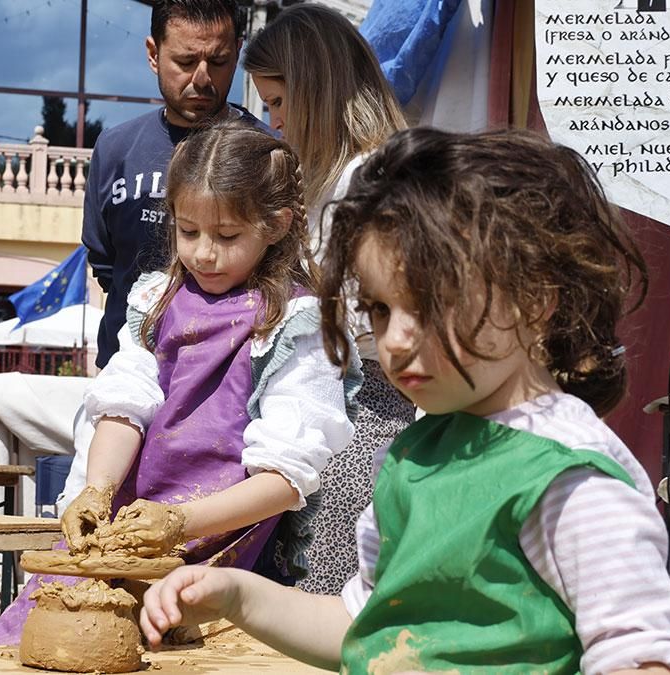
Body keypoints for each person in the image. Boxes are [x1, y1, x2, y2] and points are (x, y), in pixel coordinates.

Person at [140, 128, 670, 674]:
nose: (396, 339)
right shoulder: (415, 455)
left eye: (430, 304)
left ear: (535, 300)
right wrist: (238, 595)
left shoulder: (569, 478)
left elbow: (644, 656)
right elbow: (365, 629)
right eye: (382, 310)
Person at [0, 120, 358, 645]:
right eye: (188, 232)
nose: (204, 253)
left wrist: (181, 523)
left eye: (227, 236)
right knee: (47, 638)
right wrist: (97, 489)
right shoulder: (156, 298)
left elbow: (285, 479)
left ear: (276, 225)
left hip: (220, 552)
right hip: (126, 528)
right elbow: (124, 403)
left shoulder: (295, 322)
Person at [242, 3, 414, 595]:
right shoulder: (330, 176)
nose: (275, 121)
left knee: (330, 597)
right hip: (336, 406)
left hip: (373, 411)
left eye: (280, 102)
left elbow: (391, 318)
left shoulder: (376, 178)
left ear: (318, 88)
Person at [82, 0, 271, 371]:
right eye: (185, 62)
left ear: (238, 51)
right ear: (153, 54)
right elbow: (105, 265)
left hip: (230, 381)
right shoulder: (116, 148)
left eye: (217, 62)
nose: (202, 78)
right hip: (125, 372)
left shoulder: (266, 153)